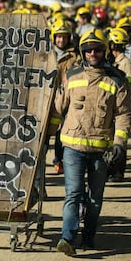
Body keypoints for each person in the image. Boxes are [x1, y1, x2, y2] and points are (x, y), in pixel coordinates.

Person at [54, 28, 131, 255]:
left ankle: (88, 238)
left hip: (101, 150)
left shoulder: (116, 80)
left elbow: (123, 114)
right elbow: (59, 108)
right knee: (73, 193)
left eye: (97, 49)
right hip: (72, 147)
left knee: (94, 198)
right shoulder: (72, 76)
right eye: (88, 49)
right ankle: (67, 239)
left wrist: (120, 143)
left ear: (104, 51)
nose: (92, 53)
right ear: (83, 51)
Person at [49, 18, 80, 174]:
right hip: (48, 97)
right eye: (58, 36)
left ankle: (58, 160)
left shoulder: (75, 56)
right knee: (47, 131)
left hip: (66, 98)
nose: (61, 40)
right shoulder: (46, 52)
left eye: (64, 37)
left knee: (62, 132)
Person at [107, 27, 131, 182]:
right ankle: (112, 169)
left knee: (120, 139)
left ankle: (118, 172)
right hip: (112, 105)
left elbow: (130, 87)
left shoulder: (126, 64)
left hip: (121, 104)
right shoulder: (114, 62)